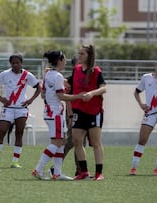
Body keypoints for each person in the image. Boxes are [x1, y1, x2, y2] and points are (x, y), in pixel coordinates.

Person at [32, 50, 83, 181]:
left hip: (49, 111)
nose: (66, 61)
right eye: (64, 59)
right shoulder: (57, 76)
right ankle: (38, 169)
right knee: (57, 142)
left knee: (61, 143)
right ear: (59, 60)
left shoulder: (48, 74)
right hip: (55, 113)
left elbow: (43, 94)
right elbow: (61, 95)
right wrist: (77, 96)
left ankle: (57, 173)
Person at [0, 54, 41, 169]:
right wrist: (0, 98)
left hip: (21, 109)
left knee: (19, 133)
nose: (15, 65)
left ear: (21, 63)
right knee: (1, 132)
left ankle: (15, 161)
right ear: (10, 64)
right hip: (8, 108)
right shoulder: (5, 74)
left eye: (17, 63)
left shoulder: (27, 75)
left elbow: (39, 88)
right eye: (13, 63)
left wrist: (30, 100)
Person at [68, 44, 107, 181]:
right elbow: (69, 85)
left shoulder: (96, 71)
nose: (79, 56)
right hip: (78, 109)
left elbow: (103, 88)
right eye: (78, 53)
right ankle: (83, 171)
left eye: (82, 54)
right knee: (77, 141)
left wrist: (91, 93)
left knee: (95, 143)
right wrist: (52, 74)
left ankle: (99, 173)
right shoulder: (76, 69)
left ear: (89, 56)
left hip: (94, 111)